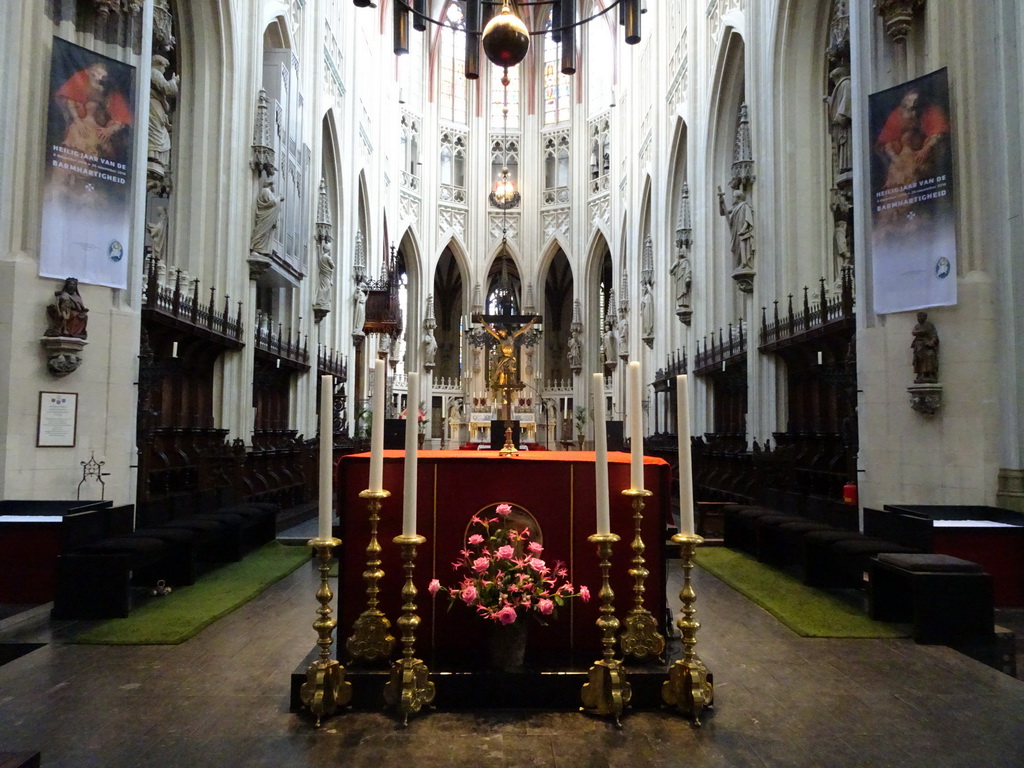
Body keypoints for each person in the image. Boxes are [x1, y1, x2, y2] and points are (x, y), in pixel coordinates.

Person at [875, 86, 949, 190]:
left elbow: (939, 132)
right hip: (902, 156)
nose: (910, 112)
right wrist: (894, 157)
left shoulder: (931, 112)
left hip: (924, 157)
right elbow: (887, 140)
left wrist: (926, 149)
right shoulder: (899, 114)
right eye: (906, 106)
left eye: (913, 107)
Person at [481, 316, 537, 392]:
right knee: (502, 374)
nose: (500, 334)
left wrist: (531, 322)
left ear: (505, 330)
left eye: (501, 332)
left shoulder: (512, 337)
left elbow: (522, 330)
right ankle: (502, 392)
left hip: (510, 359)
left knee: (510, 375)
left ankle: (509, 392)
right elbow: (490, 331)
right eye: (499, 333)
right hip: (503, 360)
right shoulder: (500, 339)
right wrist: (483, 322)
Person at [148, 55, 179, 181]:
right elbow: (167, 88)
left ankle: (154, 157)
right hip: (153, 106)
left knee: (160, 132)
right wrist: (174, 81)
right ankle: (152, 156)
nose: (164, 70)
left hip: (156, 106)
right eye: (164, 67)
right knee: (156, 131)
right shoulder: (154, 72)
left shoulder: (154, 72)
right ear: (159, 64)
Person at [718, 186, 755, 271]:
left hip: (742, 233)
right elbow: (723, 212)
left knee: (743, 247)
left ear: (738, 197)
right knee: (737, 249)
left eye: (734, 196)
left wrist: (743, 229)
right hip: (735, 232)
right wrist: (721, 202)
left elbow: (748, 219)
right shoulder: (735, 208)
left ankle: (744, 263)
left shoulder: (745, 206)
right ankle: (740, 264)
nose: (733, 198)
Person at [825, 65, 852, 175]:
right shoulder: (842, 85)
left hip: (845, 124)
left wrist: (840, 117)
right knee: (843, 146)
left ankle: (849, 165)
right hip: (841, 126)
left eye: (834, 80)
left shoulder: (846, 84)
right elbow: (837, 103)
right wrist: (829, 100)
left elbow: (846, 101)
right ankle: (845, 166)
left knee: (847, 144)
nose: (834, 83)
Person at [250, 177, 283, 256]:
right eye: (273, 184)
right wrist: (279, 198)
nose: (274, 187)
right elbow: (273, 202)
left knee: (264, 232)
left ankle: (259, 249)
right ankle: (256, 247)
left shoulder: (268, 192)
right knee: (261, 231)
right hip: (265, 217)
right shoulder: (266, 191)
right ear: (270, 184)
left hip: (268, 217)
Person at [911, 311, 939, 383]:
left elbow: (934, 336)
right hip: (919, 345)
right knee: (919, 356)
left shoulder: (930, 325)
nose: (919, 318)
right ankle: (921, 374)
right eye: (918, 317)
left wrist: (931, 342)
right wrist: (922, 332)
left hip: (927, 345)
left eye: (921, 317)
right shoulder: (917, 326)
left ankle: (929, 374)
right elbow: (913, 332)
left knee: (930, 354)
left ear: (925, 317)